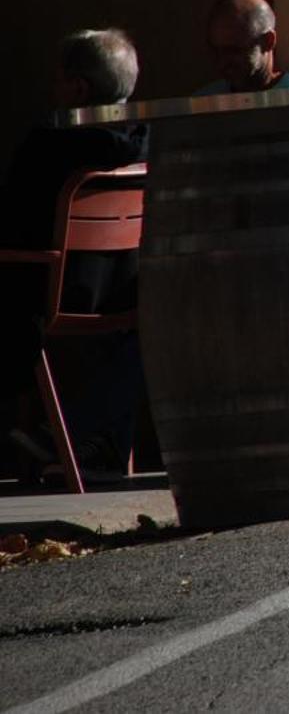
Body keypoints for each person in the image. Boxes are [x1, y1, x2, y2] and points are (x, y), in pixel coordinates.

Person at [1, 29, 147, 482]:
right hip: (123, 294)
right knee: (143, 336)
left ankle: (64, 436)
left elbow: (14, 219)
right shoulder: (142, 145)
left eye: (59, 79)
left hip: (49, 289)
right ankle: (92, 444)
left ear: (79, 88)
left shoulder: (48, 148)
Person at [196, 0, 289, 94]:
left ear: (268, 41)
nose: (223, 62)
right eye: (215, 51)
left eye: (234, 50)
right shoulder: (205, 103)